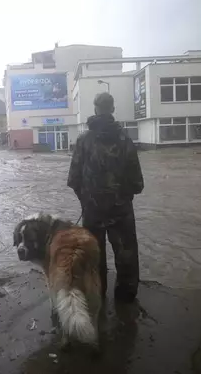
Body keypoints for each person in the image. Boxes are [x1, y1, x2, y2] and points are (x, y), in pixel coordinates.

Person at [67, 92, 144, 303]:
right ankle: (126, 296)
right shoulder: (124, 139)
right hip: (121, 210)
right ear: (112, 109)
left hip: (92, 211)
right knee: (126, 253)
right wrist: (123, 195)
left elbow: (73, 179)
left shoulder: (83, 140)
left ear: (95, 109)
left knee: (93, 255)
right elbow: (138, 183)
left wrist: (86, 200)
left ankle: (96, 293)